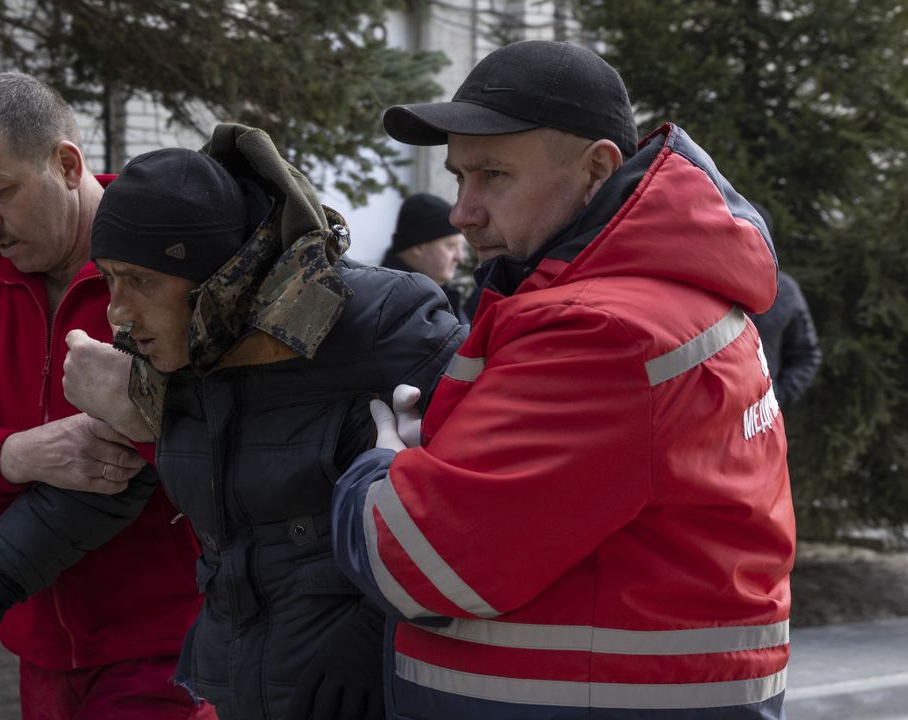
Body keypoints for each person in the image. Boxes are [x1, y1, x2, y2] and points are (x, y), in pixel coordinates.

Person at [0, 127, 467, 720]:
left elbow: (476, 492)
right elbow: (121, 473)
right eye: (108, 279)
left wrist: (376, 628)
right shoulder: (193, 337)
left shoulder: (383, 321)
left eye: (140, 281)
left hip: (365, 680)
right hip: (236, 680)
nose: (116, 312)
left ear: (213, 273)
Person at [330, 40, 795, 719]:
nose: (463, 210)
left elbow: (418, 561)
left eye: (493, 175)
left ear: (596, 169)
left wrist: (376, 467)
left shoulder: (604, 329)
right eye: (458, 177)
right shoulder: (675, 294)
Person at [0, 71, 206, 719]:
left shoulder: (174, 270)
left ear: (67, 164)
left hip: (169, 646)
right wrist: (23, 453)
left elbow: (222, 446)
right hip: (38, 650)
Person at [748, 201, 822, 409]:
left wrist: (776, 398)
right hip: (709, 423)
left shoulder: (786, 291)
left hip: (763, 424)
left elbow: (806, 354)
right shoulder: (708, 286)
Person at [380, 192, 468, 318]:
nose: (459, 258)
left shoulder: (441, 295)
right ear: (418, 247)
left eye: (461, 247)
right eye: (451, 246)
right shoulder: (390, 305)